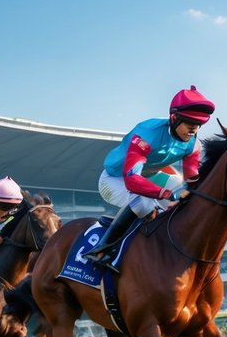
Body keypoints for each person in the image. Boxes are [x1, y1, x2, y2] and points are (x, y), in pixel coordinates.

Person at [84, 86, 215, 273]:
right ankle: (103, 251)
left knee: (184, 193)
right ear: (174, 118)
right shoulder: (146, 134)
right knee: (144, 203)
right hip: (115, 179)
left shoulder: (194, 144)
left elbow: (191, 180)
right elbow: (132, 180)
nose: (193, 130)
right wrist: (166, 194)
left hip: (150, 175)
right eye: (189, 123)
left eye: (198, 125)